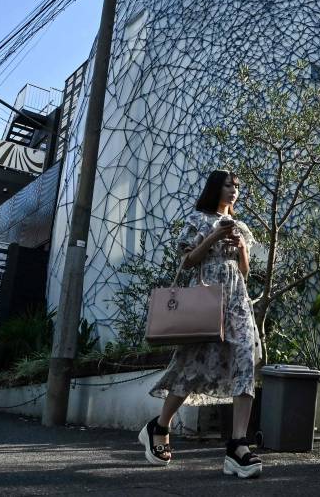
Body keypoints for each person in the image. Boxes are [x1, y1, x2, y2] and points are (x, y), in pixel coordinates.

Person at [139, 169, 263, 478]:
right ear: (215, 188)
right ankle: (159, 425)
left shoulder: (242, 226)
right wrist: (215, 236)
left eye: (237, 186)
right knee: (191, 365)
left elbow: (245, 272)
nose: (233, 190)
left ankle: (238, 445)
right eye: (228, 185)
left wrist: (243, 248)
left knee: (246, 361)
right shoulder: (197, 219)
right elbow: (187, 262)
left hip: (238, 301)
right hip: (206, 299)